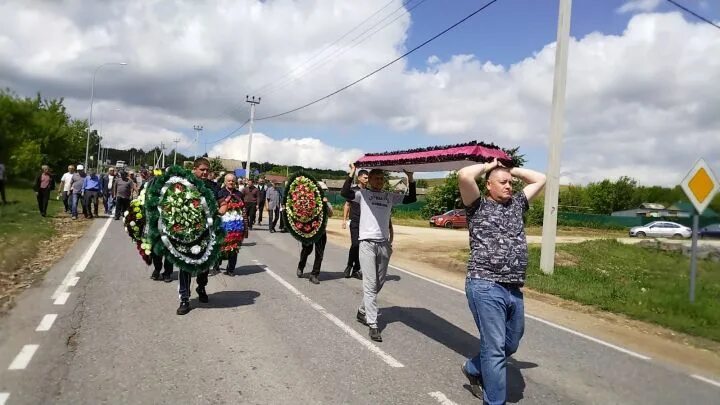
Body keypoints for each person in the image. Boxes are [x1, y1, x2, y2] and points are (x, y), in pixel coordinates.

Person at [456, 158, 546, 404]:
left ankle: (474, 368)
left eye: (511, 183)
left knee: (511, 342)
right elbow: (464, 175)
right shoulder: (477, 205)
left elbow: (541, 178)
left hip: (514, 287)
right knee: (495, 348)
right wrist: (490, 166)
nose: (509, 186)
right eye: (503, 182)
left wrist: (509, 169)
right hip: (485, 284)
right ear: (488, 186)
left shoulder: (517, 204)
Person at [341, 164, 416, 342]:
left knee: (379, 282)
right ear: (370, 180)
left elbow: (411, 198)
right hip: (366, 243)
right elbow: (345, 193)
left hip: (383, 244)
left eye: (381, 179)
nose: (379, 181)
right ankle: (373, 324)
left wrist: (410, 178)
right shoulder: (362, 194)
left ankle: (362, 311)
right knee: (370, 283)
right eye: (375, 178)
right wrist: (351, 173)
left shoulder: (389, 196)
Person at [177, 157, 218, 315]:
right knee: (185, 264)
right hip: (187, 231)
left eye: (207, 170)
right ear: (194, 169)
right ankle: (184, 299)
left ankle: (201, 286)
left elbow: (220, 201)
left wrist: (222, 207)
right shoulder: (185, 185)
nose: (205, 172)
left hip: (207, 232)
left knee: (204, 264)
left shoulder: (213, 187)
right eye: (202, 169)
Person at [296, 186, 334, 285]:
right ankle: (301, 265)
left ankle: (314, 274)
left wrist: (325, 204)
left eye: (323, 191)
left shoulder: (326, 202)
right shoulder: (309, 201)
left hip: (321, 232)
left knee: (319, 254)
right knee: (307, 250)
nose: (321, 192)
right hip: (309, 231)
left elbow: (330, 214)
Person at [217, 173, 248, 276]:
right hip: (223, 226)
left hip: (237, 227)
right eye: (229, 181)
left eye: (233, 181)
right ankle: (217, 263)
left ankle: (230, 269)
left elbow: (243, 208)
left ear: (235, 182)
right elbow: (219, 208)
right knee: (221, 247)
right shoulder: (220, 193)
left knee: (234, 248)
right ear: (225, 182)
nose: (231, 182)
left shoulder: (239, 194)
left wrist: (244, 225)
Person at [342, 169, 369, 278]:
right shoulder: (353, 190)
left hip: (365, 223)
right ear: (359, 178)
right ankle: (349, 265)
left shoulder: (368, 192)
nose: (367, 180)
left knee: (362, 246)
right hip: (355, 221)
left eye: (368, 178)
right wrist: (344, 220)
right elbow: (347, 204)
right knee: (355, 244)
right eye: (365, 177)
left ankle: (356, 269)